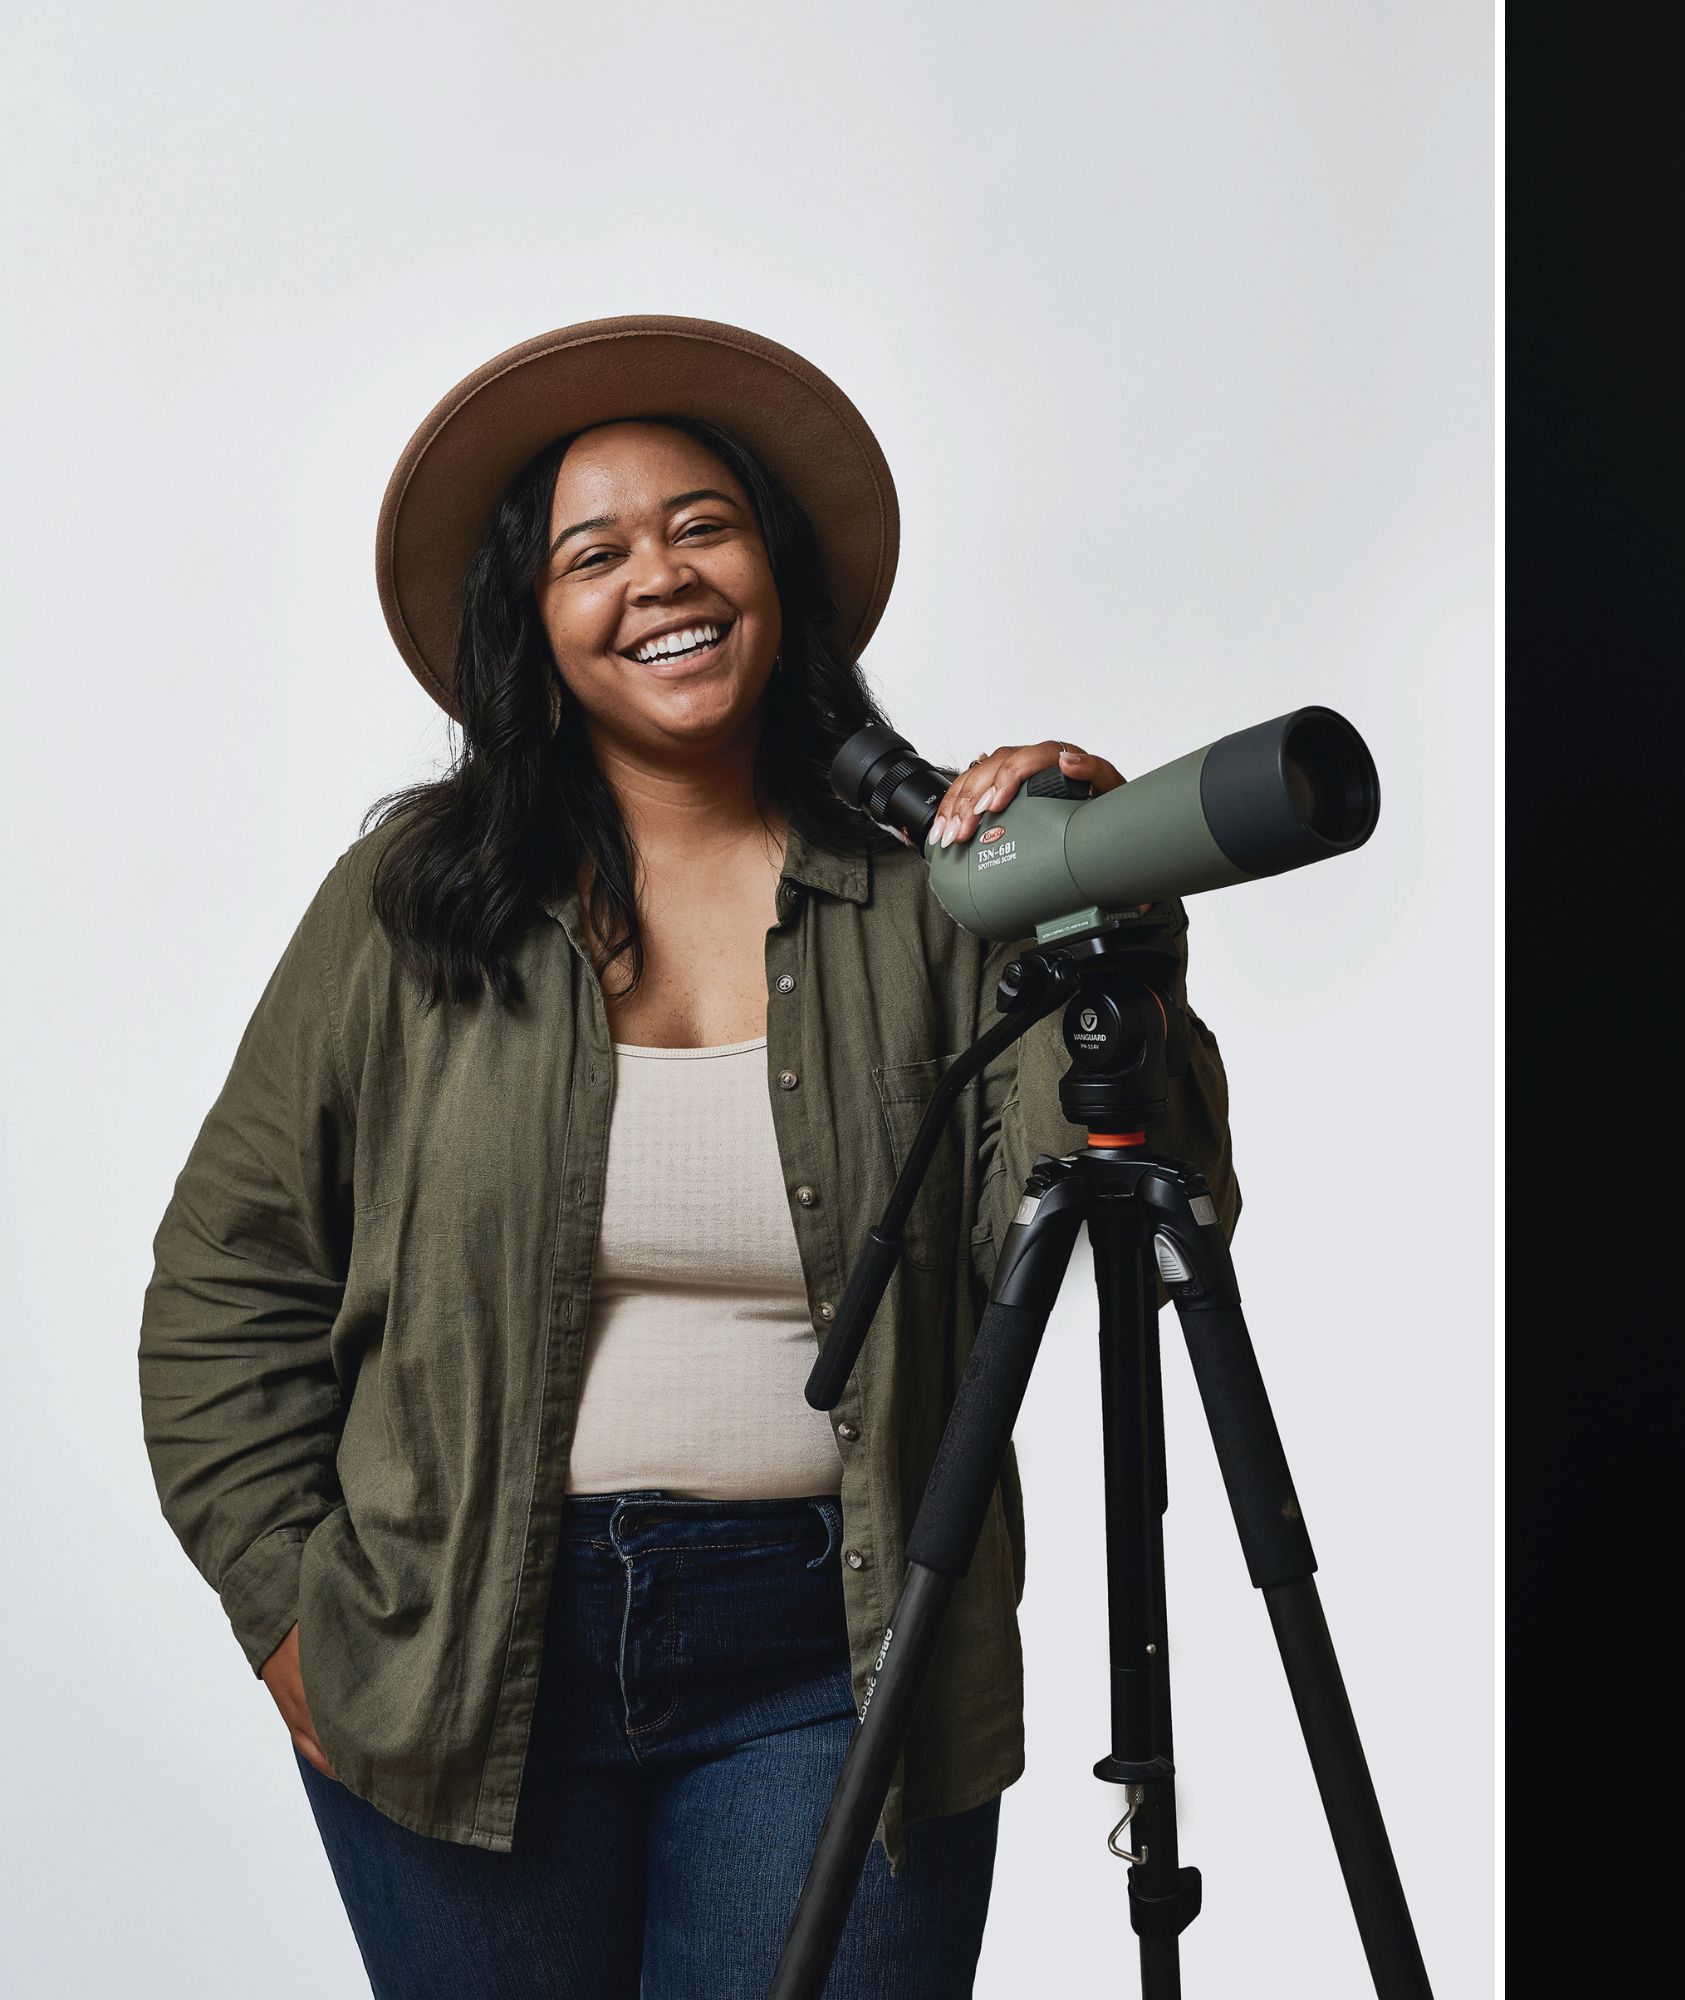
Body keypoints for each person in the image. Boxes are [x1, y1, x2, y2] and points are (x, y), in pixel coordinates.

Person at [138, 315, 1238, 1998]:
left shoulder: (935, 900)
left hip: (842, 1645)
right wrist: (299, 1632)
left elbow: (1148, 1216)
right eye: (597, 552)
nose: (661, 576)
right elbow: (228, 1286)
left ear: (772, 573)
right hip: (459, 1647)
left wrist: (1101, 914)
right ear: (539, 622)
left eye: (703, 526)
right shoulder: (408, 916)